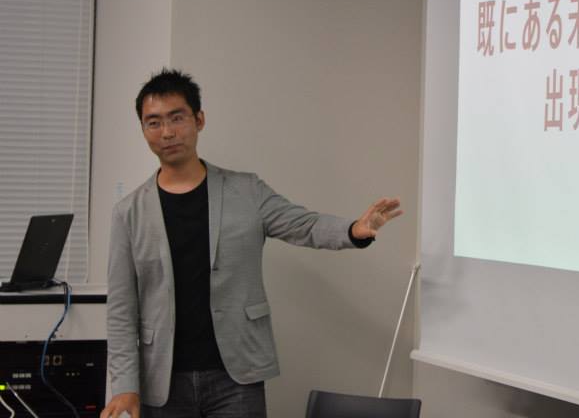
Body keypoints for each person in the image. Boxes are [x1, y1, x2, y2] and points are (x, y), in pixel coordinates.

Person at [100, 69, 401, 418]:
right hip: (162, 383)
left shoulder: (246, 190)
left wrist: (353, 230)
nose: (167, 132)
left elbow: (303, 224)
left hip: (236, 377)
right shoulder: (128, 213)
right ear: (143, 130)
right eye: (153, 123)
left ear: (199, 120)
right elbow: (121, 309)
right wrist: (125, 387)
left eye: (177, 118)